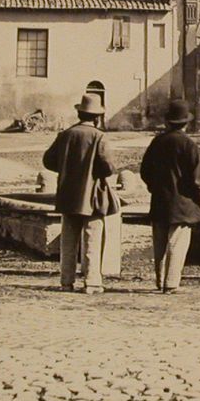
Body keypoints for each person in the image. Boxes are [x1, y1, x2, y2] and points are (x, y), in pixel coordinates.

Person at [42, 93, 120, 295]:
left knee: (68, 239)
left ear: (79, 113)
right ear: (97, 117)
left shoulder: (66, 134)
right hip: (92, 195)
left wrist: (67, 167)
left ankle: (66, 281)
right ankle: (92, 282)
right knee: (92, 236)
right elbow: (109, 167)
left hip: (68, 194)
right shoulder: (99, 136)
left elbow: (48, 161)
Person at [139, 98, 200, 294]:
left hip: (160, 200)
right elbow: (197, 180)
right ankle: (171, 283)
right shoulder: (189, 145)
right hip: (183, 202)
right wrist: (199, 200)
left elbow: (145, 171)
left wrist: (154, 187)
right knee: (177, 242)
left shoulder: (157, 142)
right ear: (186, 123)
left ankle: (159, 281)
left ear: (168, 122)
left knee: (159, 243)